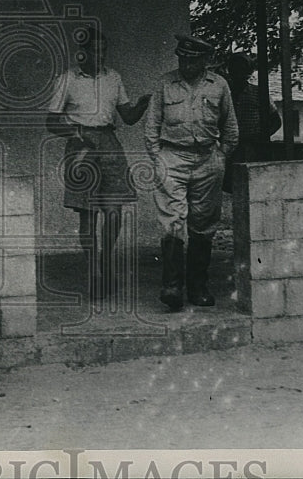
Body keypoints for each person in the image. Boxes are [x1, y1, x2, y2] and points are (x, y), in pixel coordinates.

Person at [46, 26, 150, 298]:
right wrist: (78, 134)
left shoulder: (113, 77)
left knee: (114, 212)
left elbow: (127, 116)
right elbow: (51, 121)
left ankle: (106, 259)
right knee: (89, 213)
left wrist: (143, 104)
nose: (100, 55)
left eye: (104, 51)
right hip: (81, 146)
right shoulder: (67, 79)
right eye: (95, 51)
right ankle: (94, 271)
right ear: (83, 53)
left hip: (109, 143)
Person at [145, 34, 238, 311]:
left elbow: (230, 127)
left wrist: (221, 156)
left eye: (192, 59)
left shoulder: (219, 85)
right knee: (172, 219)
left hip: (208, 159)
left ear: (205, 61)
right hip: (172, 157)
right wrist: (158, 158)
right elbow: (151, 126)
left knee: (203, 223)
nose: (186, 64)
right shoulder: (165, 83)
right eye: (182, 59)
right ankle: (172, 286)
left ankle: (198, 286)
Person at [224, 53, 281, 191]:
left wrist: (261, 138)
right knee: (228, 185)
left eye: (242, 70)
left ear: (248, 72)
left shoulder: (258, 93)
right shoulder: (223, 93)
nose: (238, 74)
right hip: (228, 146)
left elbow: (276, 121)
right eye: (235, 70)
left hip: (252, 147)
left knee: (252, 184)